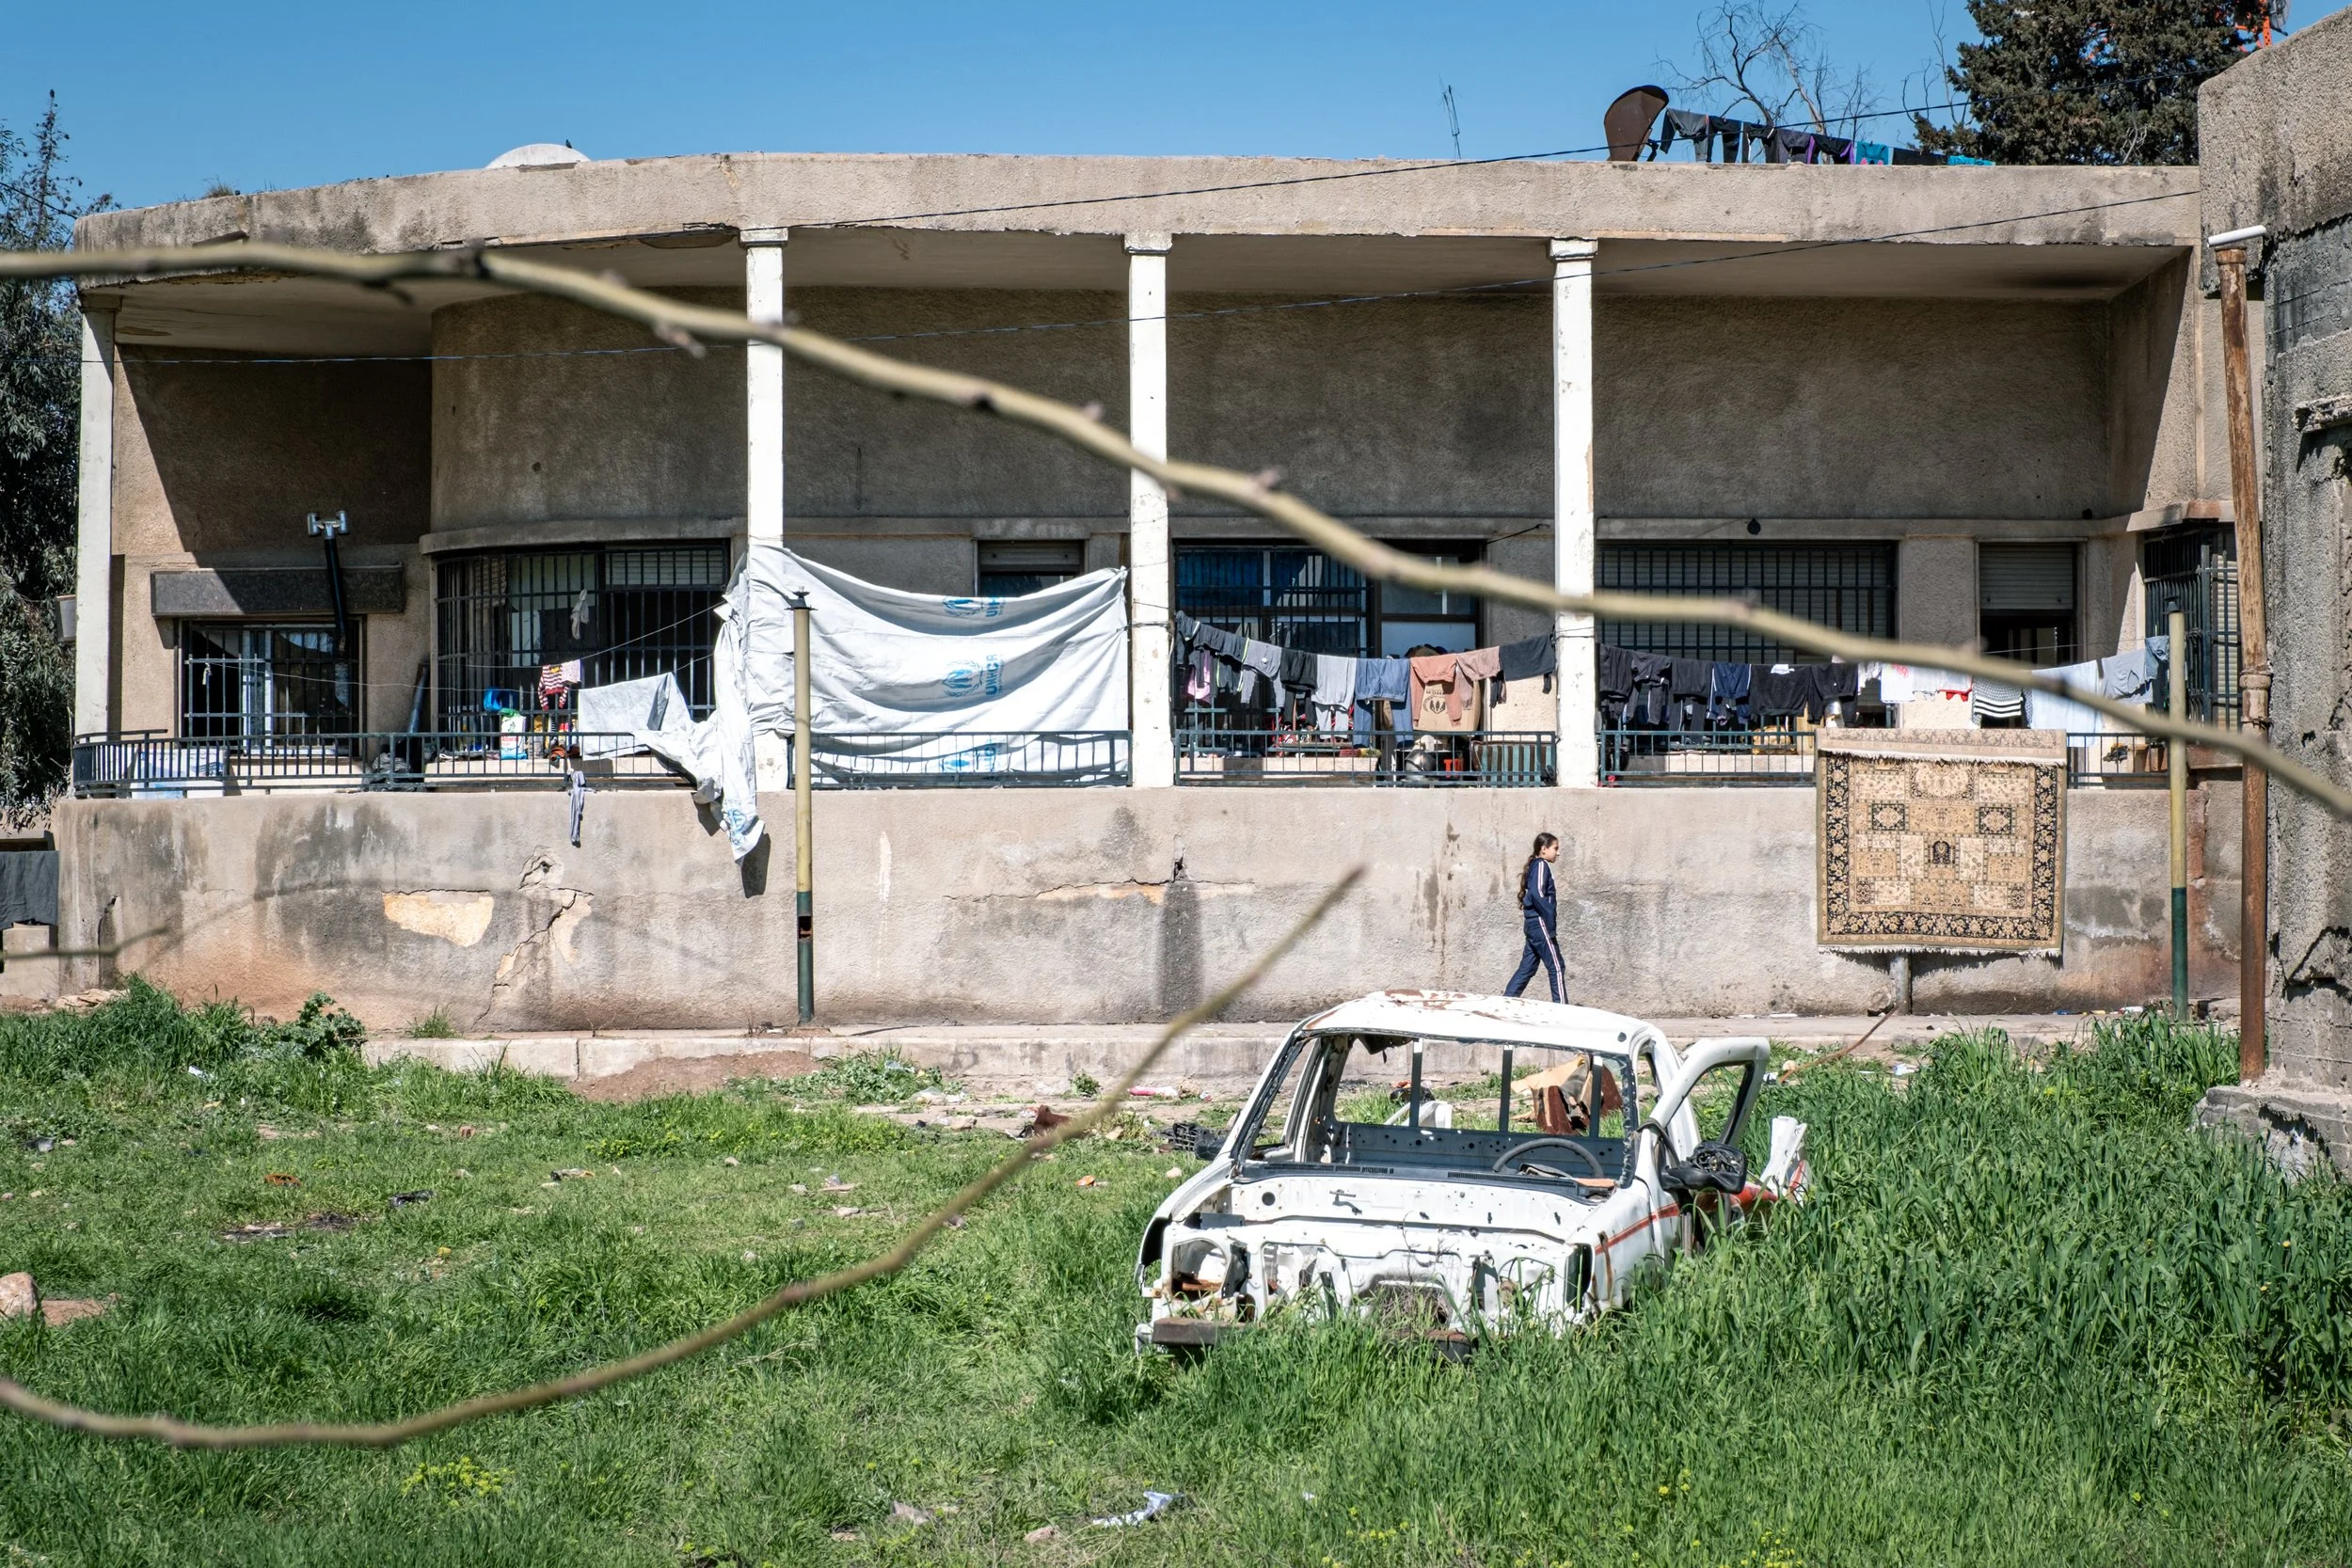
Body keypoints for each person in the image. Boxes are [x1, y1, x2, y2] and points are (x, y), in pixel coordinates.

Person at [1503, 832, 1565, 1004]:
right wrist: (1549, 919)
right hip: (1540, 923)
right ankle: (1563, 1011)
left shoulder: (1537, 866)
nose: (1558, 853)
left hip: (1534, 924)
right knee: (1557, 967)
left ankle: (1505, 1003)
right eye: (1555, 848)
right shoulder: (1541, 865)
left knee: (1527, 968)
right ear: (1544, 849)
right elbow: (1538, 894)